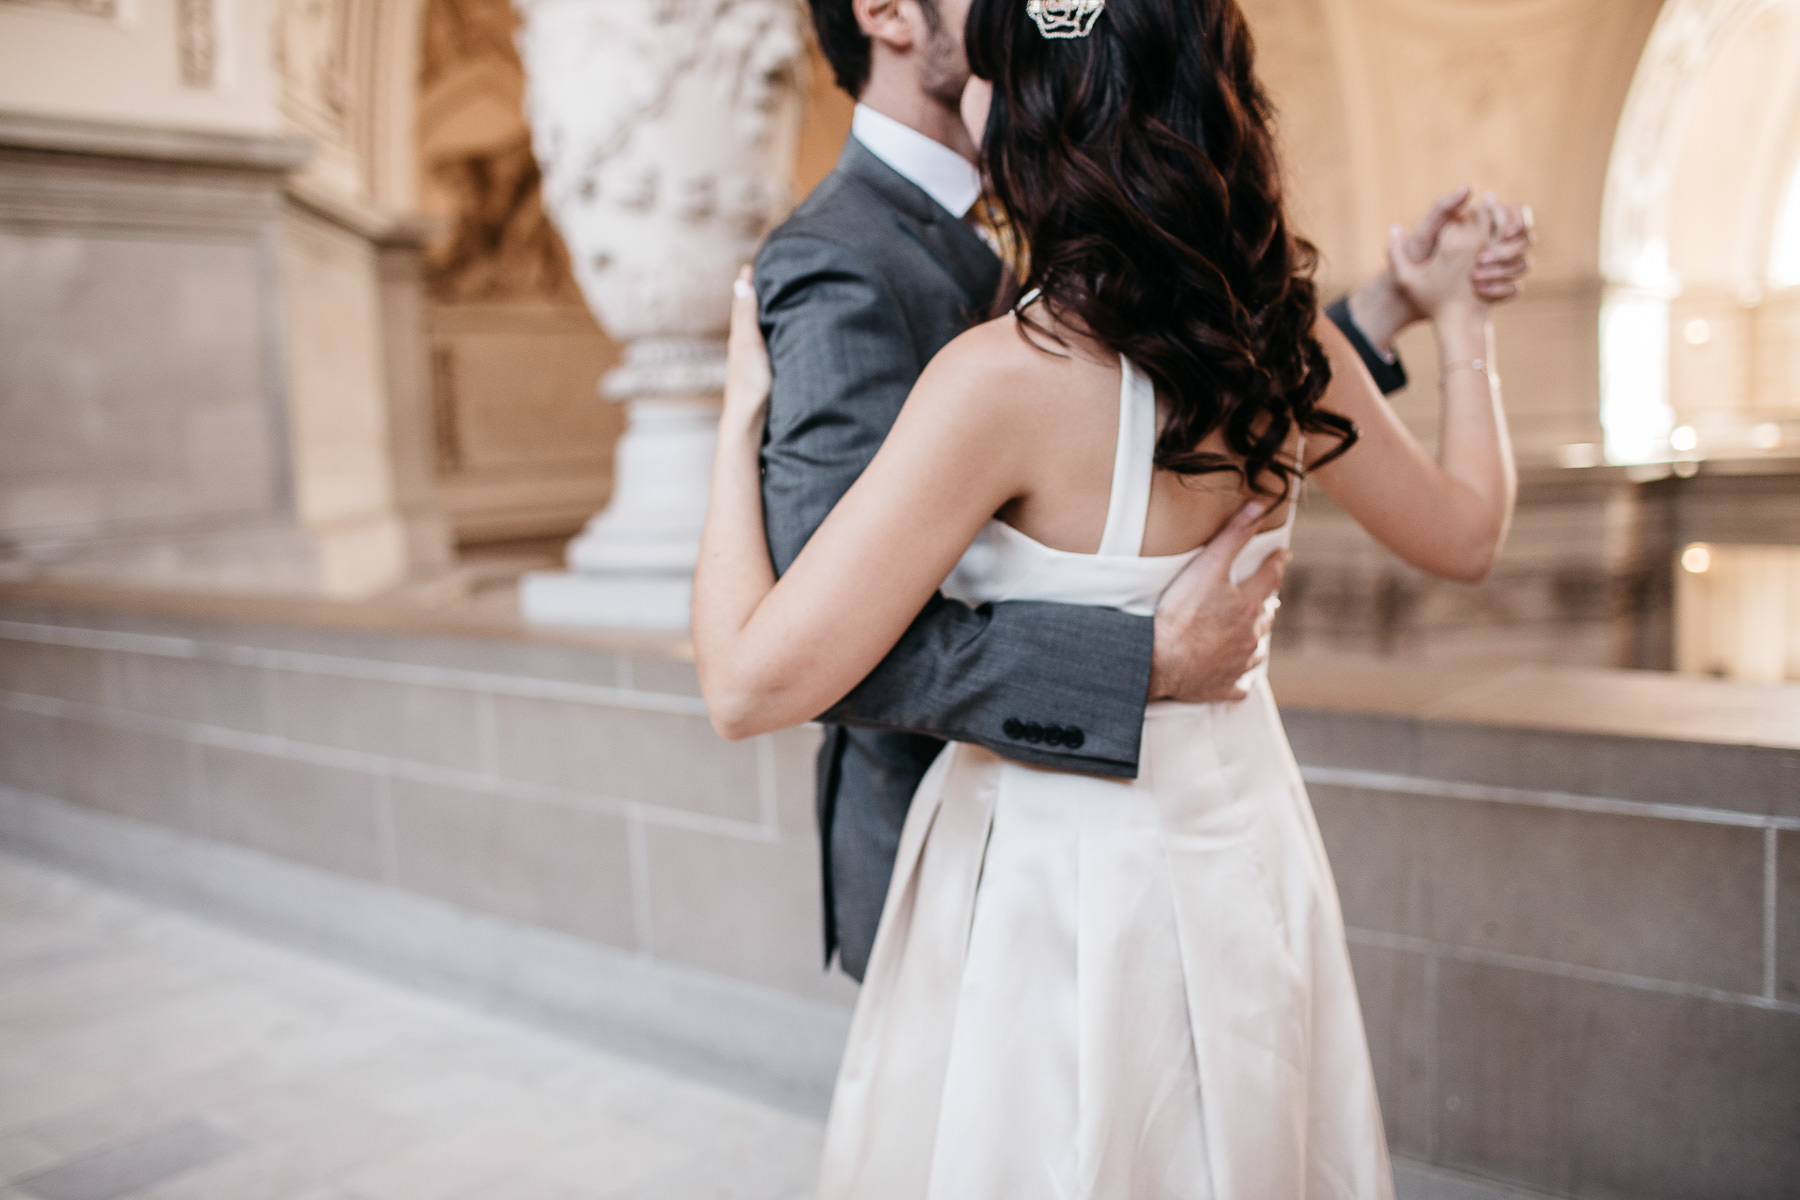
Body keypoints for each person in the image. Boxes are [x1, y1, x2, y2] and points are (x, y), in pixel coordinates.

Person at [694, 0, 1517, 1189]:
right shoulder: (1283, 339)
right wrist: (1461, 320)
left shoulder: (1002, 382)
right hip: (1242, 839)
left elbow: (745, 681)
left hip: (1054, 876)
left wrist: (732, 433)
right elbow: (1469, 534)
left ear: (1039, 108)